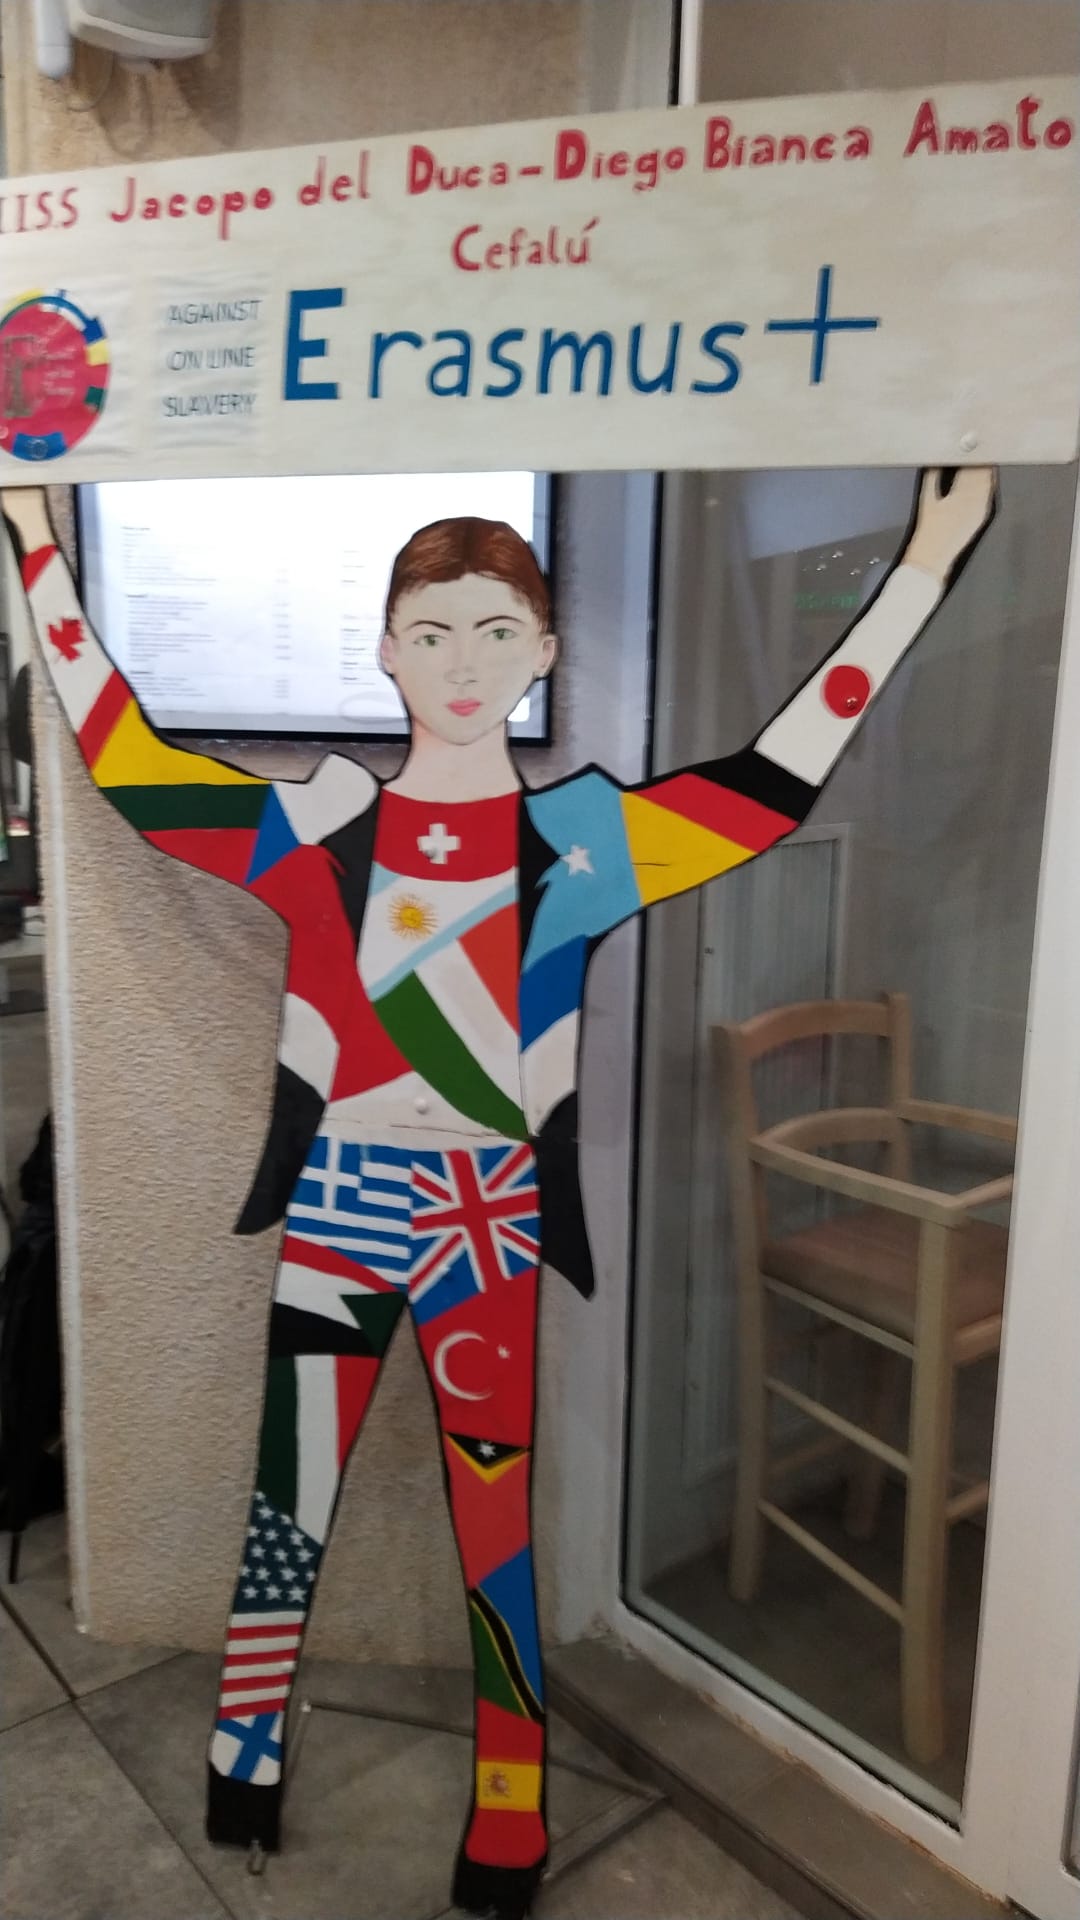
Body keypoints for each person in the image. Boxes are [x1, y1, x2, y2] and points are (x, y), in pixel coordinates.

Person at [2, 468, 995, 1920]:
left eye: (493, 632)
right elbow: (132, 763)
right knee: (291, 1490)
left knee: (496, 1518)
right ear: (386, 653)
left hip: (488, 1215)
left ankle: (510, 1803)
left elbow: (772, 786)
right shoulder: (319, 831)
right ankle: (245, 1745)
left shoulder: (580, 845)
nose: (461, 664)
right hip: (342, 1203)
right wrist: (35, 540)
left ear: (543, 653)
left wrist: (926, 561)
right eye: (431, 632)